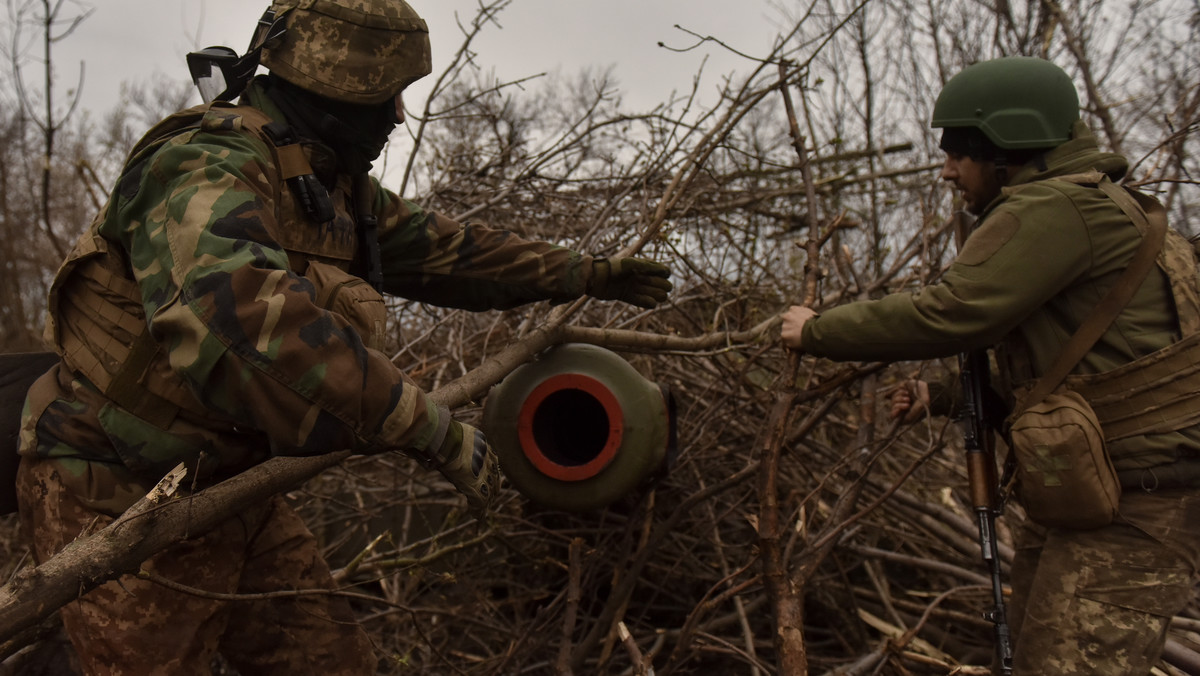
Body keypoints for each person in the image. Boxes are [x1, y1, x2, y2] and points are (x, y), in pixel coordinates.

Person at [14, 0, 672, 673]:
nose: (398, 116)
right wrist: (423, 424)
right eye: (388, 97)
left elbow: (452, 252)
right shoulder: (204, 167)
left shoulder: (322, 184)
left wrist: (581, 273)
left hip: (228, 490)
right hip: (114, 490)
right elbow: (241, 325)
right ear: (334, 93)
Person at [781, 56, 1200, 674]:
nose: (947, 169)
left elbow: (950, 313)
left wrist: (816, 330)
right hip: (1100, 502)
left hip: (1133, 511)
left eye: (959, 151)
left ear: (1009, 146)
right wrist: (946, 395)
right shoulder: (1102, 207)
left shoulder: (1054, 209)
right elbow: (1086, 372)